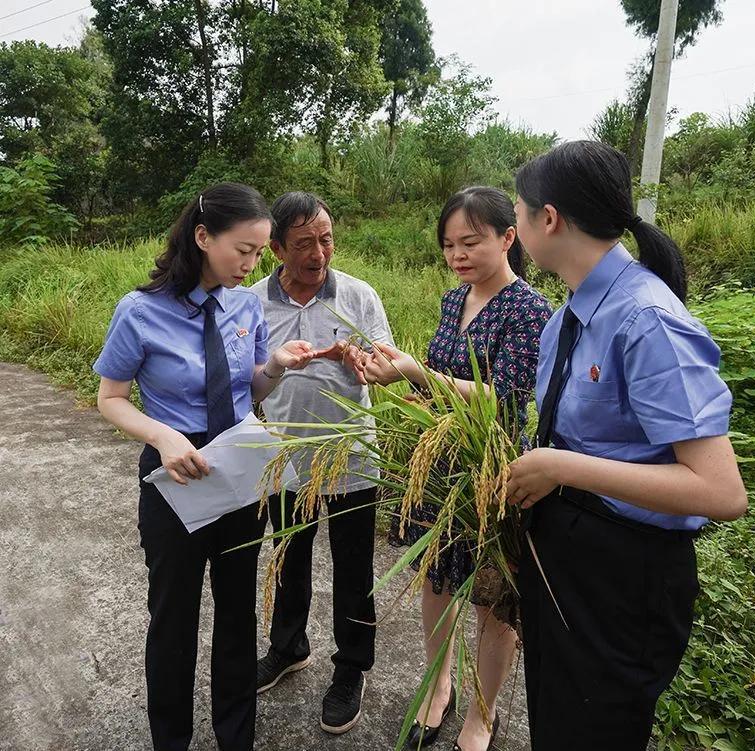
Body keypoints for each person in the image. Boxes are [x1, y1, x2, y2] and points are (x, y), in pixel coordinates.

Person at [505, 141, 748, 751]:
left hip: (625, 573)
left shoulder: (645, 319)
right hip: (567, 552)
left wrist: (561, 466)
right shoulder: (571, 315)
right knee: (559, 722)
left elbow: (719, 492)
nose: (514, 226)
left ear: (549, 218)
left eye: (517, 213)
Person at [93, 183, 316, 751]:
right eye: (242, 250)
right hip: (175, 475)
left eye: (258, 253)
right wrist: (164, 436)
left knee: (238, 613)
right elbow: (110, 397)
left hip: (238, 467)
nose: (251, 264)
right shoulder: (140, 311)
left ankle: (235, 735)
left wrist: (278, 366)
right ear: (202, 237)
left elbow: (253, 387)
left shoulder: (246, 304)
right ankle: (171, 739)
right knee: (173, 618)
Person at [360, 186, 552, 751]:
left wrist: (416, 374)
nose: (458, 255)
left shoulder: (530, 311)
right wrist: (402, 383)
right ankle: (437, 685)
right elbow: (441, 387)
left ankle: (483, 714)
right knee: (438, 582)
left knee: (492, 602)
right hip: (440, 470)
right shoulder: (453, 301)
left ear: (508, 238)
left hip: (493, 477)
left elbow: (508, 401)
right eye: (449, 245)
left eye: (471, 242)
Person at [250, 191, 394, 735]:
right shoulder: (254, 303)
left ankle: (351, 668)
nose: (319, 252)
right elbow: (249, 376)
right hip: (285, 459)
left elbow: (387, 361)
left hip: (351, 457)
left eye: (327, 238)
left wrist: (367, 364)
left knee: (355, 570)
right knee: (288, 559)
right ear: (277, 249)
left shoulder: (358, 297)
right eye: (305, 242)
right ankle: (288, 647)